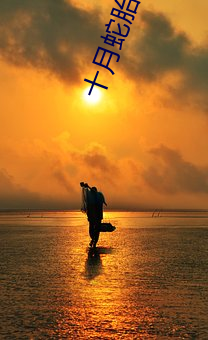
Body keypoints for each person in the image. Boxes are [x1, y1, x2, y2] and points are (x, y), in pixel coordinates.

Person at [80, 183, 107, 248]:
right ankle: (93, 241)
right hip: (94, 216)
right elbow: (88, 192)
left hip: (96, 216)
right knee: (94, 229)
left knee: (95, 229)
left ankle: (94, 241)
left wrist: (87, 186)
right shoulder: (92, 196)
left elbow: (95, 193)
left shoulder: (98, 195)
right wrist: (85, 187)